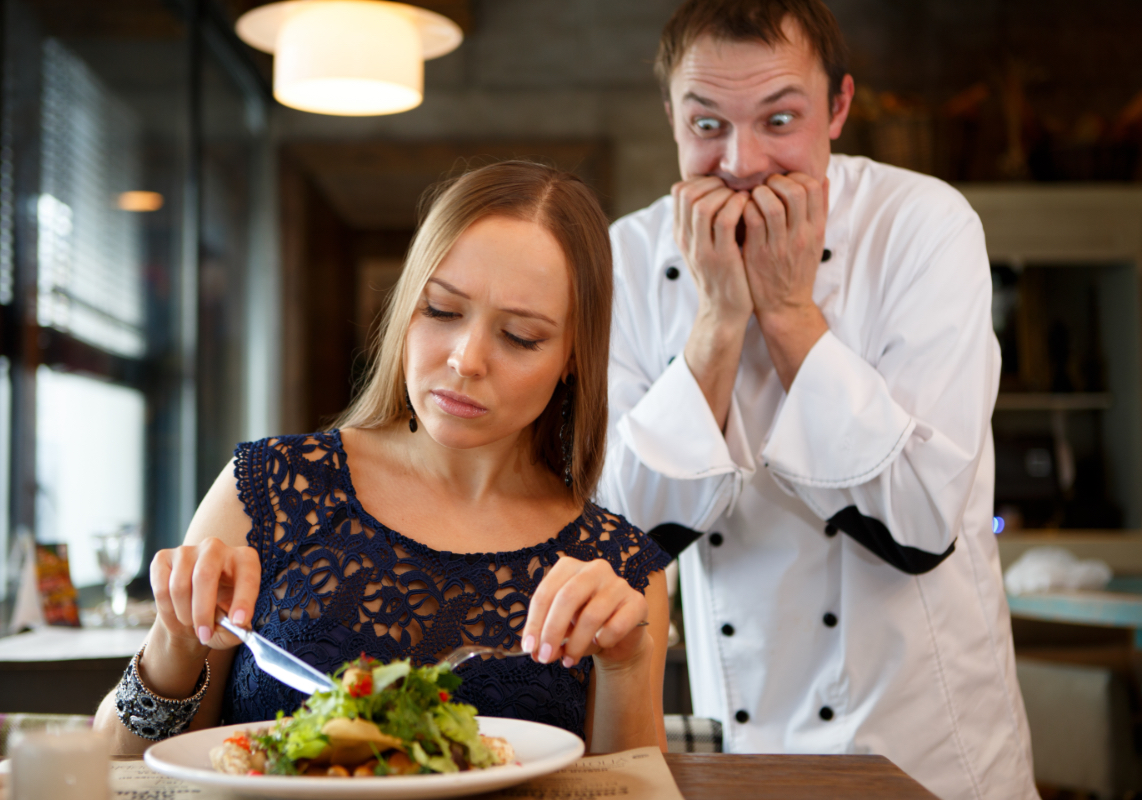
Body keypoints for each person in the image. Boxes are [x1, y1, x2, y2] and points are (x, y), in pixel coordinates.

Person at [597, 1, 1038, 798]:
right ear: (670, 116)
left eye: (779, 118)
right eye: (707, 126)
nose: (741, 162)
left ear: (838, 109)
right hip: (748, 740)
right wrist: (720, 320)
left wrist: (791, 312)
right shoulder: (625, 258)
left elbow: (918, 520)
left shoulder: (923, 227)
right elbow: (622, 535)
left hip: (930, 748)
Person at [93, 161, 671, 756]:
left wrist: (627, 665)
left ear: (575, 357)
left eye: (521, 336)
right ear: (405, 309)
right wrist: (174, 643)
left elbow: (635, 790)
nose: (466, 360)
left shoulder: (618, 565)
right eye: (441, 311)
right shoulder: (270, 490)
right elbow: (117, 772)